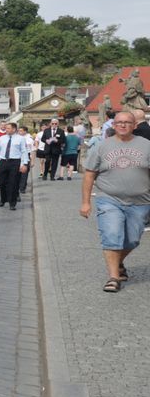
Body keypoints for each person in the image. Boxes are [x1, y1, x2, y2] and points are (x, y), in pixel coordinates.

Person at [80, 113, 150, 292]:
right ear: (114, 125)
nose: (123, 125)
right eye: (119, 122)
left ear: (135, 125)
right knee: (112, 234)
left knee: (132, 239)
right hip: (109, 198)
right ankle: (113, 277)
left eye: (127, 122)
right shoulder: (102, 146)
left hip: (141, 201)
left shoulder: (146, 146)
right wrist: (86, 202)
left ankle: (118, 262)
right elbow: (89, 174)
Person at [0, 122, 30, 210]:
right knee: (1, 182)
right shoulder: (2, 138)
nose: (6, 130)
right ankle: (3, 199)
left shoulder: (21, 139)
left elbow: (24, 151)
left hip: (15, 162)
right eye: (6, 128)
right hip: (3, 161)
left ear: (14, 129)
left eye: (8, 128)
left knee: (13, 183)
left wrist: (24, 164)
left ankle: (12, 202)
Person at [18, 126, 36, 194]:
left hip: (26, 156)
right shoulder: (17, 138)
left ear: (25, 131)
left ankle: (22, 188)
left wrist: (33, 161)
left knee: (24, 173)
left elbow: (33, 150)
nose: (19, 132)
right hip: (18, 156)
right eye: (19, 131)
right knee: (17, 173)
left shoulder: (29, 139)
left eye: (21, 131)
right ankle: (18, 186)